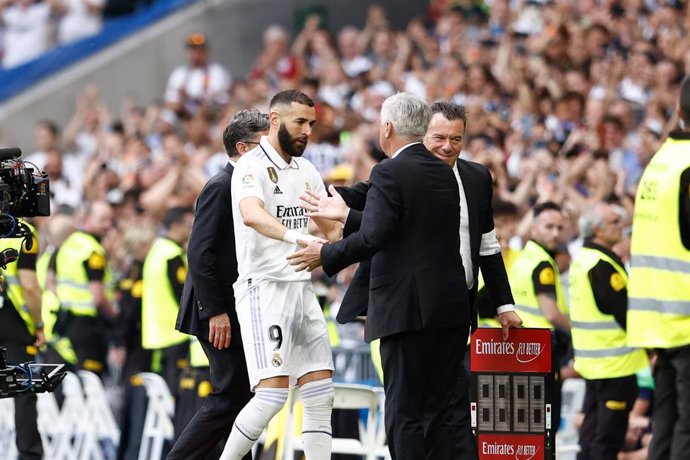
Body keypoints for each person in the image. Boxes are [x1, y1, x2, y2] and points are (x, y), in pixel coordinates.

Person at [287, 92, 466, 459]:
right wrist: (330, 200)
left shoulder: (390, 171)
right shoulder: (443, 172)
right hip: (448, 311)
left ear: (387, 128)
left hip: (406, 312)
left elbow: (375, 234)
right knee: (443, 412)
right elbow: (382, 206)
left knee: (404, 412)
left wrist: (326, 253)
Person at [219, 90, 335, 460]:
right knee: (271, 395)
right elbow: (252, 214)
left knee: (321, 392)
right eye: (299, 121)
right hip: (264, 288)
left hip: (302, 288)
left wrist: (341, 233)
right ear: (274, 119)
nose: (307, 131)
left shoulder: (307, 170)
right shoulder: (250, 165)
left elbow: (328, 229)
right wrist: (299, 237)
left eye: (311, 124)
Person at [169, 109, 269, 460]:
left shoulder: (244, 186)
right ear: (243, 148)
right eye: (264, 144)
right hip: (216, 311)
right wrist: (215, 312)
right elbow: (199, 254)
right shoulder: (221, 186)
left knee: (243, 394)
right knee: (232, 393)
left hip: (232, 309)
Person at [627, 74, 690, 460]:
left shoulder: (661, 160)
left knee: (666, 420)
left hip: (658, 318)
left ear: (679, 111)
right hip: (686, 318)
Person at [570, 203, 649, 460]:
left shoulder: (584, 258)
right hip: (616, 365)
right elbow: (626, 313)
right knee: (608, 436)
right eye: (615, 222)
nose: (621, 227)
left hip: (595, 364)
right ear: (597, 229)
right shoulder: (601, 264)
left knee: (592, 430)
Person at [510, 201, 570, 429]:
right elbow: (551, 313)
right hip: (542, 350)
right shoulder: (543, 264)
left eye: (559, 227)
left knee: (525, 426)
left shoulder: (523, 258)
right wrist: (576, 331)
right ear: (533, 229)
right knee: (545, 425)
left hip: (522, 349)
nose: (555, 233)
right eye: (549, 227)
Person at [54, 200, 117, 376]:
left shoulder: (70, 242)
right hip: (88, 325)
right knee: (91, 382)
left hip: (67, 320)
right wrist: (115, 317)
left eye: (110, 220)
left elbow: (50, 280)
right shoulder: (93, 250)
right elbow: (98, 296)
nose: (108, 225)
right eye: (103, 220)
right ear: (87, 219)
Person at [0, 220, 44, 459]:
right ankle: (28, 454)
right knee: (24, 390)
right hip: (13, 322)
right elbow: (29, 286)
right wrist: (39, 324)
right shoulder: (22, 231)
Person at [141, 206, 194, 391]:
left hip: (156, 333)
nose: (191, 230)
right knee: (174, 392)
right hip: (174, 334)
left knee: (160, 391)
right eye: (188, 225)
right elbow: (183, 295)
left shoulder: (156, 250)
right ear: (175, 225)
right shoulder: (172, 254)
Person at [164, 32, 231, 118]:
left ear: (206, 52)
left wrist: (191, 98)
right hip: (183, 117)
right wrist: (182, 104)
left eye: (200, 50)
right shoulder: (179, 74)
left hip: (210, 118)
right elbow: (169, 102)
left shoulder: (217, 71)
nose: (196, 54)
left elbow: (221, 100)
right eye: (193, 49)